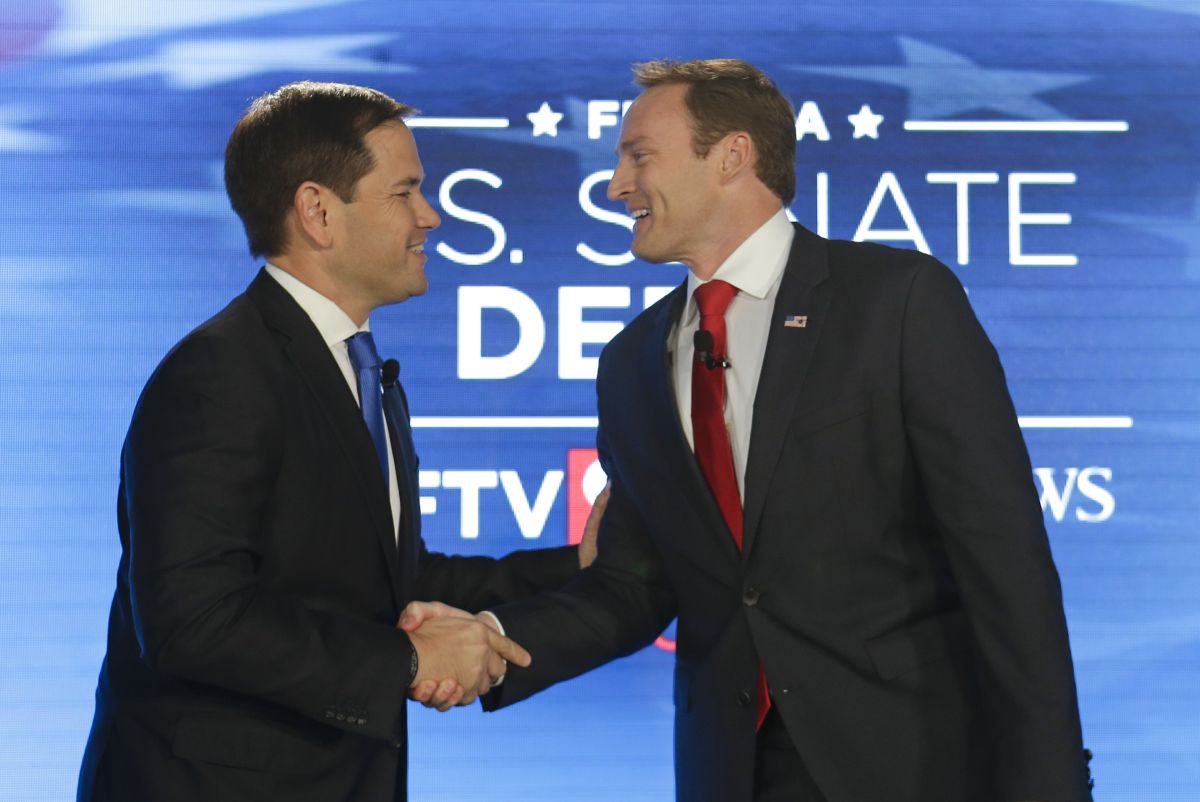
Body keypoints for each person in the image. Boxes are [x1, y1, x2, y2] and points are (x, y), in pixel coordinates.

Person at [408, 59, 1094, 801]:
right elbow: (637, 584)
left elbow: (1006, 568)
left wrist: (1050, 782)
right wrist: (496, 642)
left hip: (912, 765)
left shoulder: (895, 303)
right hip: (733, 771)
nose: (614, 185)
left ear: (732, 155)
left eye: (638, 156)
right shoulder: (633, 362)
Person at [76, 81, 589, 802]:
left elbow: (384, 582)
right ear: (318, 211)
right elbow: (193, 619)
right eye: (404, 192)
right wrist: (405, 661)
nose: (430, 216)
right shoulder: (220, 373)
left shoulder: (359, 370)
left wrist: (581, 565)